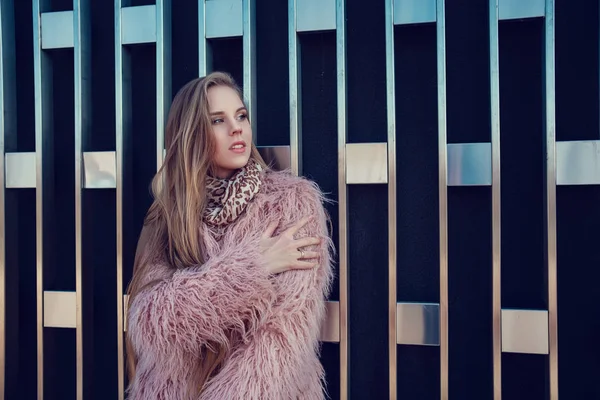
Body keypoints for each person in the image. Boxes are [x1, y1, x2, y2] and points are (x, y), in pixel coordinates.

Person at [124, 71, 334, 400]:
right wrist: (251, 268)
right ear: (193, 134)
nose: (236, 128)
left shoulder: (291, 203)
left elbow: (282, 339)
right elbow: (151, 320)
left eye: (241, 116)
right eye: (218, 120)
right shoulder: (170, 214)